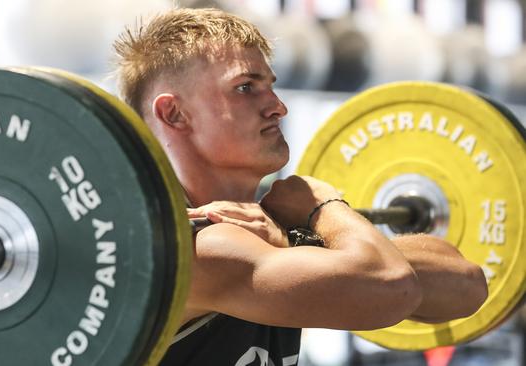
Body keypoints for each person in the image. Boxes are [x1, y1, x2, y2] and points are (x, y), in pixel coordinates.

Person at [114, 8, 488, 365]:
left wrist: (293, 240)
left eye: (270, 87)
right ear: (174, 114)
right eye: (245, 88)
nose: (278, 107)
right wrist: (324, 207)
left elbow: (468, 286)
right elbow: (392, 286)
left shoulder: (263, 232)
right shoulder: (191, 247)